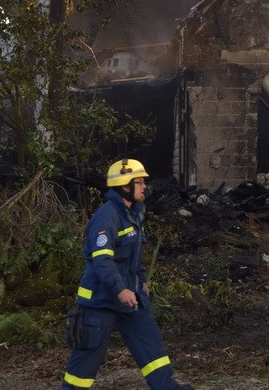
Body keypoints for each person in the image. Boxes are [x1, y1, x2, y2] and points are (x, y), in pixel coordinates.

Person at [62, 159, 193, 390]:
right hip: (101, 301)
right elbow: (102, 260)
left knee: (152, 348)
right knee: (84, 363)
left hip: (129, 297)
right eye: (140, 183)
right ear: (125, 187)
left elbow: (132, 258)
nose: (145, 187)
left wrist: (140, 283)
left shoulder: (133, 214)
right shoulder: (107, 216)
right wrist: (120, 289)